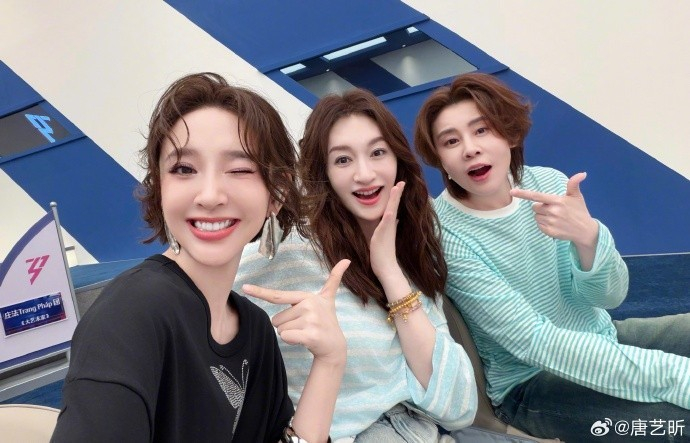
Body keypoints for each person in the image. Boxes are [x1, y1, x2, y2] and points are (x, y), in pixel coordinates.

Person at [51, 72, 348, 443]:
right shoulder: (130, 316)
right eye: (184, 169)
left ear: (277, 193)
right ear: (160, 188)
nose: (209, 196)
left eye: (239, 169)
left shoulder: (254, 329)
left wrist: (330, 361)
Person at [414, 72, 690, 442]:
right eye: (451, 141)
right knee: (676, 421)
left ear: (510, 134)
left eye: (482, 130)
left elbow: (609, 297)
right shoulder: (445, 233)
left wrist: (588, 238)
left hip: (600, 338)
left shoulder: (548, 184)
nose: (470, 148)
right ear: (441, 161)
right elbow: (535, 342)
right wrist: (676, 377)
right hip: (530, 384)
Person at [237, 89, 480, 442]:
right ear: (322, 172)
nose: (364, 174)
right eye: (342, 160)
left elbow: (458, 406)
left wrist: (389, 271)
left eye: (377, 152)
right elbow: (203, 291)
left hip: (425, 433)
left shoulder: (409, 248)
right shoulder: (289, 251)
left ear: (397, 160)